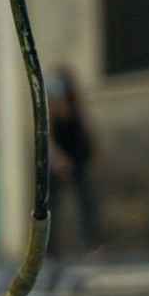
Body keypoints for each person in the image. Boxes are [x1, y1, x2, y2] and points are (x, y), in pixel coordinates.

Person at [47, 67, 102, 259]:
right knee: (49, 202)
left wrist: (74, 163)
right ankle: (50, 248)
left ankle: (92, 243)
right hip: (60, 160)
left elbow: (86, 142)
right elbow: (50, 140)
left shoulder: (75, 113)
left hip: (78, 157)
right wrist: (58, 161)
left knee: (86, 199)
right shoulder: (52, 113)